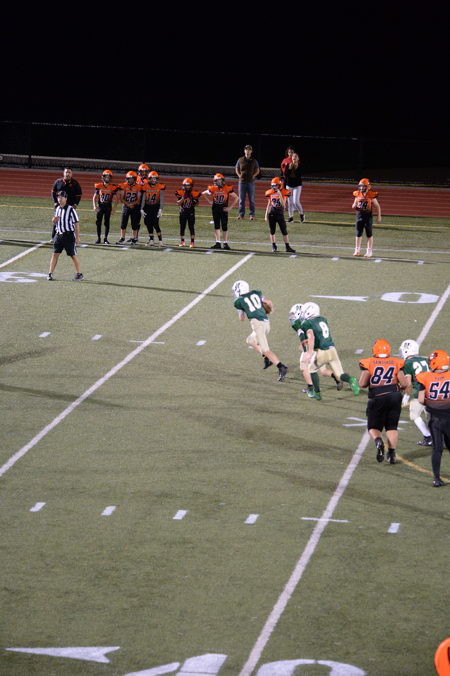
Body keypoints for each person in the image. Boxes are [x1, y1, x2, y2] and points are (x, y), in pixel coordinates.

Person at [359, 339, 407, 464]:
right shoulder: (396, 362)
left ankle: (378, 441)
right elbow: (404, 383)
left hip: (377, 396)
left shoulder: (369, 362)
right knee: (391, 426)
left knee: (373, 427)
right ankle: (391, 454)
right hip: (395, 396)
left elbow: (362, 384)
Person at [299, 302, 360, 401]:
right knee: (340, 375)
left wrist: (309, 353)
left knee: (311, 370)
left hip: (322, 351)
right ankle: (351, 380)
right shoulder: (323, 319)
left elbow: (311, 337)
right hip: (332, 349)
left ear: (309, 311)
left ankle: (317, 393)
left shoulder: (307, 323)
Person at [232, 280, 288, 382]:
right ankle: (266, 358)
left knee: (266, 350)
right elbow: (268, 302)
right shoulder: (256, 293)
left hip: (258, 326)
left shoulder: (238, 301)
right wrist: (271, 309)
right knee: (250, 340)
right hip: (266, 323)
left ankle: (281, 367)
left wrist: (240, 309)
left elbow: (241, 318)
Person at [288, 303, 344, 398]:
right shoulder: (309, 320)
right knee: (323, 371)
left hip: (312, 347)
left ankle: (311, 389)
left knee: (304, 367)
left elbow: (305, 336)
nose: (292, 316)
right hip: (319, 347)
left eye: (294, 313)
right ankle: (337, 378)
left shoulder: (300, 323)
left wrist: (306, 351)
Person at [416, 349, 450, 487]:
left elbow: (420, 399)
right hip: (448, 417)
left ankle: (436, 478)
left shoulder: (425, 377)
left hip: (434, 418)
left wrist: (431, 402)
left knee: (437, 448)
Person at [399, 339, 432, 446]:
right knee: (432, 417)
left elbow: (408, 383)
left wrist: (406, 396)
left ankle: (428, 437)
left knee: (414, 414)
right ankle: (439, 437)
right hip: (433, 391)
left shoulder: (407, 363)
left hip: (420, 393)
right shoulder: (425, 359)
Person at [47, 191, 83, 281]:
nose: (60, 199)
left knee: (73, 255)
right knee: (55, 254)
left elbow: (76, 224)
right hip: (58, 235)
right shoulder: (57, 208)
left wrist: (77, 237)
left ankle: (79, 274)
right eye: (58, 197)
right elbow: (54, 221)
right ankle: (50, 273)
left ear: (66, 198)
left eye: (62, 197)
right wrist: (54, 220)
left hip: (68, 235)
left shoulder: (71, 209)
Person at [202, 173, 238, 250]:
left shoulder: (227, 188)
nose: (220, 182)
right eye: (218, 181)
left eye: (221, 180)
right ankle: (218, 242)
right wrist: (209, 201)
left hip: (223, 209)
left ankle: (225, 243)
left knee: (224, 226)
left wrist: (230, 207)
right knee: (217, 226)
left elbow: (236, 197)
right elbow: (203, 193)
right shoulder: (213, 188)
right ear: (215, 181)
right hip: (215, 209)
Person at [264, 177, 296, 254]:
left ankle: (287, 247)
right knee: (272, 231)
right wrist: (266, 214)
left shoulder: (284, 192)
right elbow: (269, 204)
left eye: (276, 185)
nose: (274, 187)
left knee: (284, 231)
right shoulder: (270, 192)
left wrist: (279, 194)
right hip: (272, 213)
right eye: (273, 186)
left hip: (280, 213)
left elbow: (283, 205)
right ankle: (273, 246)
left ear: (280, 185)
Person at [351, 178, 381, 258]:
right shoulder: (357, 194)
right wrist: (354, 206)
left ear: (367, 186)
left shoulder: (371, 195)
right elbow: (354, 204)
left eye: (363, 186)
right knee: (358, 233)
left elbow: (377, 206)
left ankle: (369, 251)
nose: (361, 188)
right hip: (359, 216)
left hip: (367, 216)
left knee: (369, 234)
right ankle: (357, 249)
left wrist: (379, 216)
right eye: (360, 186)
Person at [51, 167, 82, 239]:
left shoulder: (75, 183)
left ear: (71, 174)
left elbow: (78, 195)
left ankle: (72, 237)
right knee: (56, 220)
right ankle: (54, 237)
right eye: (66, 172)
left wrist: (75, 204)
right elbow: (53, 192)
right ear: (63, 173)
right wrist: (55, 202)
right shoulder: (58, 182)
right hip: (59, 206)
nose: (67, 174)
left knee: (71, 221)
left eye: (69, 172)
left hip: (70, 206)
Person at [92, 169, 119, 244]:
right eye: (106, 177)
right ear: (103, 177)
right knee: (98, 222)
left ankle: (105, 238)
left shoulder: (112, 187)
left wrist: (114, 209)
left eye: (108, 177)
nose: (107, 178)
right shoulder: (99, 186)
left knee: (107, 223)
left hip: (108, 206)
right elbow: (94, 197)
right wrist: (94, 206)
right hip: (100, 206)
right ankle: (98, 238)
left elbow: (116, 199)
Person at [116, 171, 143, 244]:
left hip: (135, 207)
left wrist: (132, 204)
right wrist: (128, 204)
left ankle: (134, 238)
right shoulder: (124, 185)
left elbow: (138, 199)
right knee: (123, 223)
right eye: (129, 178)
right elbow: (121, 198)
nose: (130, 180)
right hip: (126, 206)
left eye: (131, 179)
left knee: (134, 224)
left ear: (135, 179)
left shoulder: (138, 186)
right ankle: (122, 238)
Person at [235, 145, 260, 220]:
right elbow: (236, 168)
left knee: (251, 200)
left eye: (249, 150)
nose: (248, 151)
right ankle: (241, 214)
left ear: (251, 151)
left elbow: (257, 170)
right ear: (244, 151)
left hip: (250, 182)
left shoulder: (254, 161)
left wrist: (253, 175)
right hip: (242, 182)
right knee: (241, 200)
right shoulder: (240, 160)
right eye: (246, 149)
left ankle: (252, 215)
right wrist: (239, 175)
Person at [140, 171, 165, 246]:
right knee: (148, 223)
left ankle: (160, 240)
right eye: (152, 178)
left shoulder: (160, 186)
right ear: (149, 179)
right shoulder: (145, 186)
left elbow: (162, 198)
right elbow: (143, 198)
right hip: (147, 207)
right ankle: (151, 239)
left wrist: (160, 209)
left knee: (155, 223)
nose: (154, 180)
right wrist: (141, 208)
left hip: (155, 207)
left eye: (155, 178)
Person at [175, 178, 201, 248]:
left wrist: (193, 200)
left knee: (191, 227)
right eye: (186, 185)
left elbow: (197, 204)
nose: (187, 187)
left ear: (191, 186)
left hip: (191, 212)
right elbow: (178, 203)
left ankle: (192, 242)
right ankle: (182, 241)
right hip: (183, 212)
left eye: (189, 185)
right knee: (182, 227)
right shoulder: (180, 192)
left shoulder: (194, 193)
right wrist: (183, 197)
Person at [282, 152, 305, 223]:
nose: (294, 157)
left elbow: (299, 176)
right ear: (291, 158)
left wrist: (296, 167)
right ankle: (291, 217)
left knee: (296, 202)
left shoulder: (299, 166)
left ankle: (301, 214)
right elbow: (286, 175)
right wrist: (289, 168)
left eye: (296, 156)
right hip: (289, 185)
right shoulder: (288, 165)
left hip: (297, 186)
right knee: (290, 202)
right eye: (293, 156)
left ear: (298, 158)